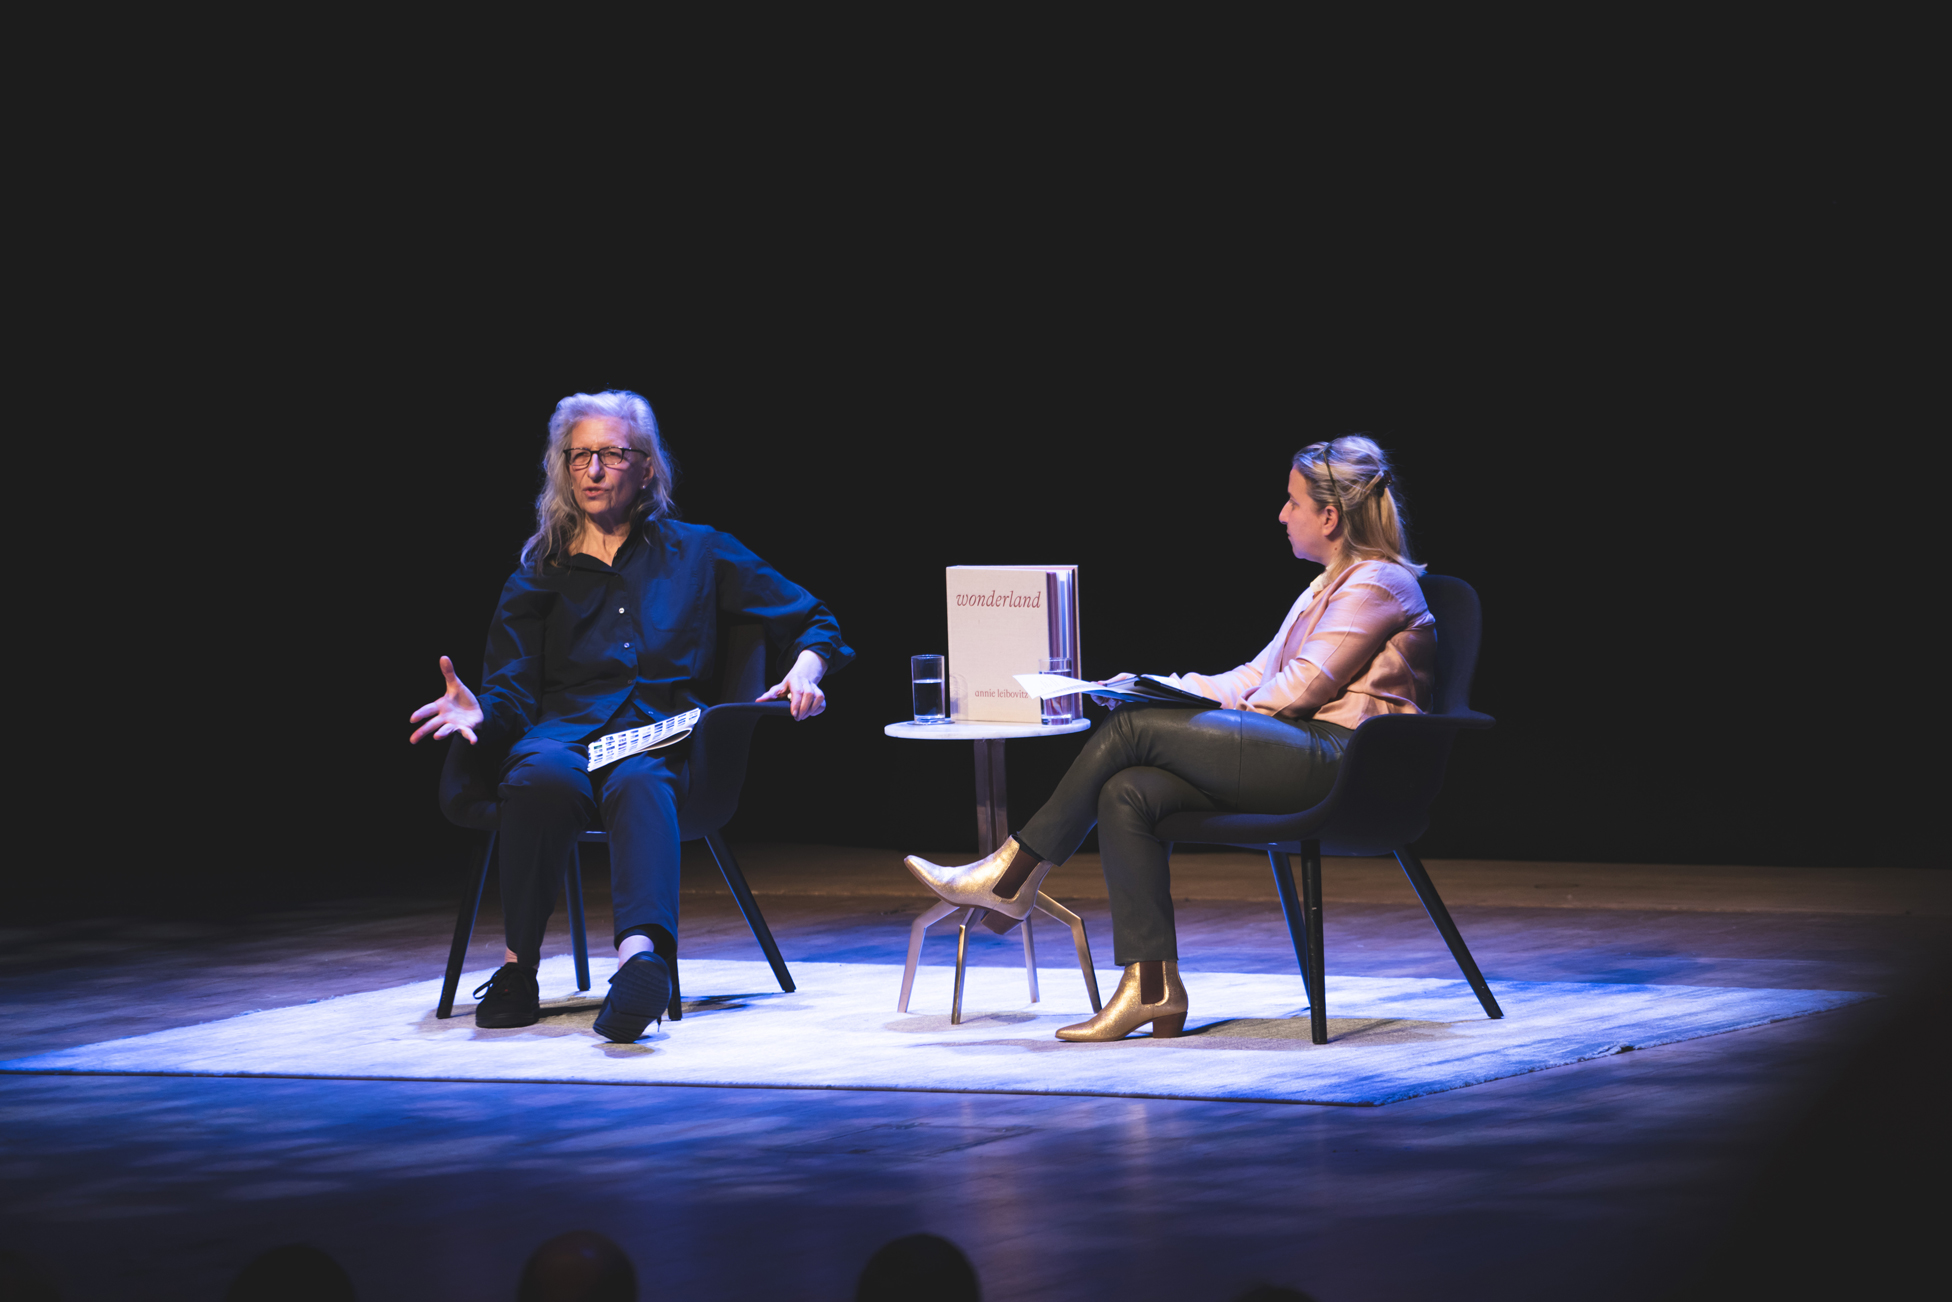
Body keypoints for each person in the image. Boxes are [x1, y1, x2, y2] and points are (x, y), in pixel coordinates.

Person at [905, 435, 1432, 1042]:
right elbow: (1255, 678)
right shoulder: (1326, 585)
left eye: (1291, 502)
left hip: (1346, 767)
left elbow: (1297, 691)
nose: (1281, 514)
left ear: (1330, 516)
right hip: (1302, 751)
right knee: (1131, 790)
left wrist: (1175, 718)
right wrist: (1156, 687)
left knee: (1132, 731)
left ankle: (1011, 873)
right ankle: (1150, 988)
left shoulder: (1379, 584)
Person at [410, 390, 851, 1042]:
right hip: (561, 737)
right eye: (580, 455)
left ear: (647, 468)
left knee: (641, 781)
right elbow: (508, 695)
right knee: (537, 778)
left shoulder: (701, 552)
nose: (592, 470)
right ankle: (516, 970)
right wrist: (479, 710)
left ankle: (639, 967)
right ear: (564, 467)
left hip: (660, 735)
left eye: (611, 454)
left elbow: (815, 619)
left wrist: (805, 671)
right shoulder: (539, 572)